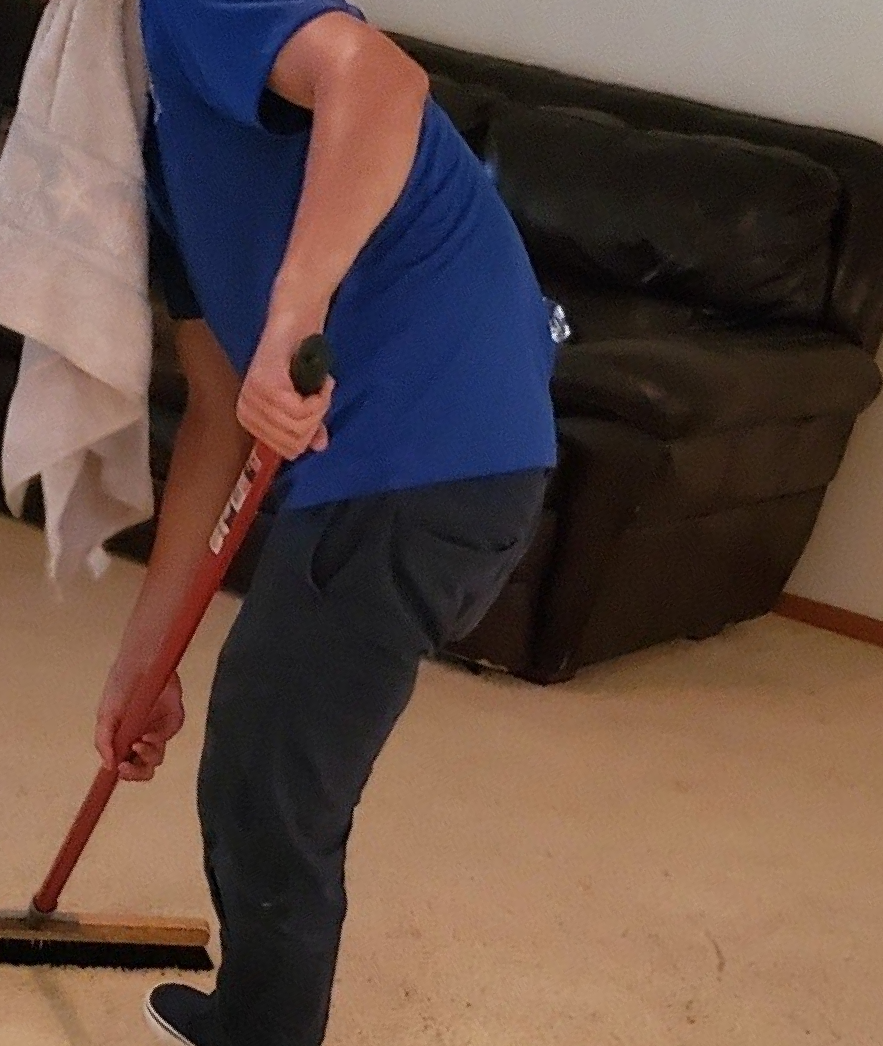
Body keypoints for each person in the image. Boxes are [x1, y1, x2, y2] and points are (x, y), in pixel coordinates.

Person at [91, 2, 559, 1043]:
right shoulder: (156, 143)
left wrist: (296, 313)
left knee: (268, 781)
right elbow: (218, 414)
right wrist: (146, 656)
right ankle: (253, 1018)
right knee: (264, 760)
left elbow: (379, 80)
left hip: (423, 444)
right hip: (429, 456)